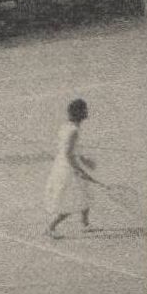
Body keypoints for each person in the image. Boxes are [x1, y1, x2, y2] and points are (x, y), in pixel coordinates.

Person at [45, 98, 101, 239]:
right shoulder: (74, 131)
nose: (87, 112)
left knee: (84, 194)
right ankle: (50, 227)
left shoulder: (67, 127)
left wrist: (85, 161)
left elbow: (72, 150)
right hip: (68, 169)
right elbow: (68, 154)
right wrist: (78, 170)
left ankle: (86, 224)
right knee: (70, 201)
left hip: (65, 165)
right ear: (79, 113)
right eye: (84, 109)